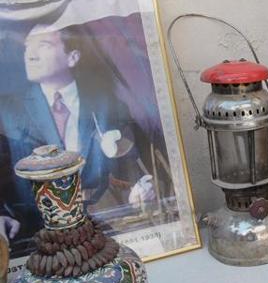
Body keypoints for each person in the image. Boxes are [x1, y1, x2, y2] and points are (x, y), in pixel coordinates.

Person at [0, 23, 154, 256]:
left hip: (107, 230)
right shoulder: (8, 112)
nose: (30, 55)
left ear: (72, 57)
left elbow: (130, 164)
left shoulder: (107, 104)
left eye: (43, 45)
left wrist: (141, 188)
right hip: (37, 240)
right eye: (27, 47)